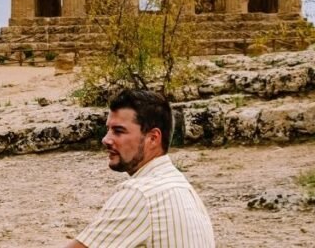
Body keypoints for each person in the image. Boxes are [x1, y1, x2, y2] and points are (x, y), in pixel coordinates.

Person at [64, 89, 215, 248]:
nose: (106, 139)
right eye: (108, 130)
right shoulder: (183, 188)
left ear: (153, 138)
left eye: (119, 131)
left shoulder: (141, 193)